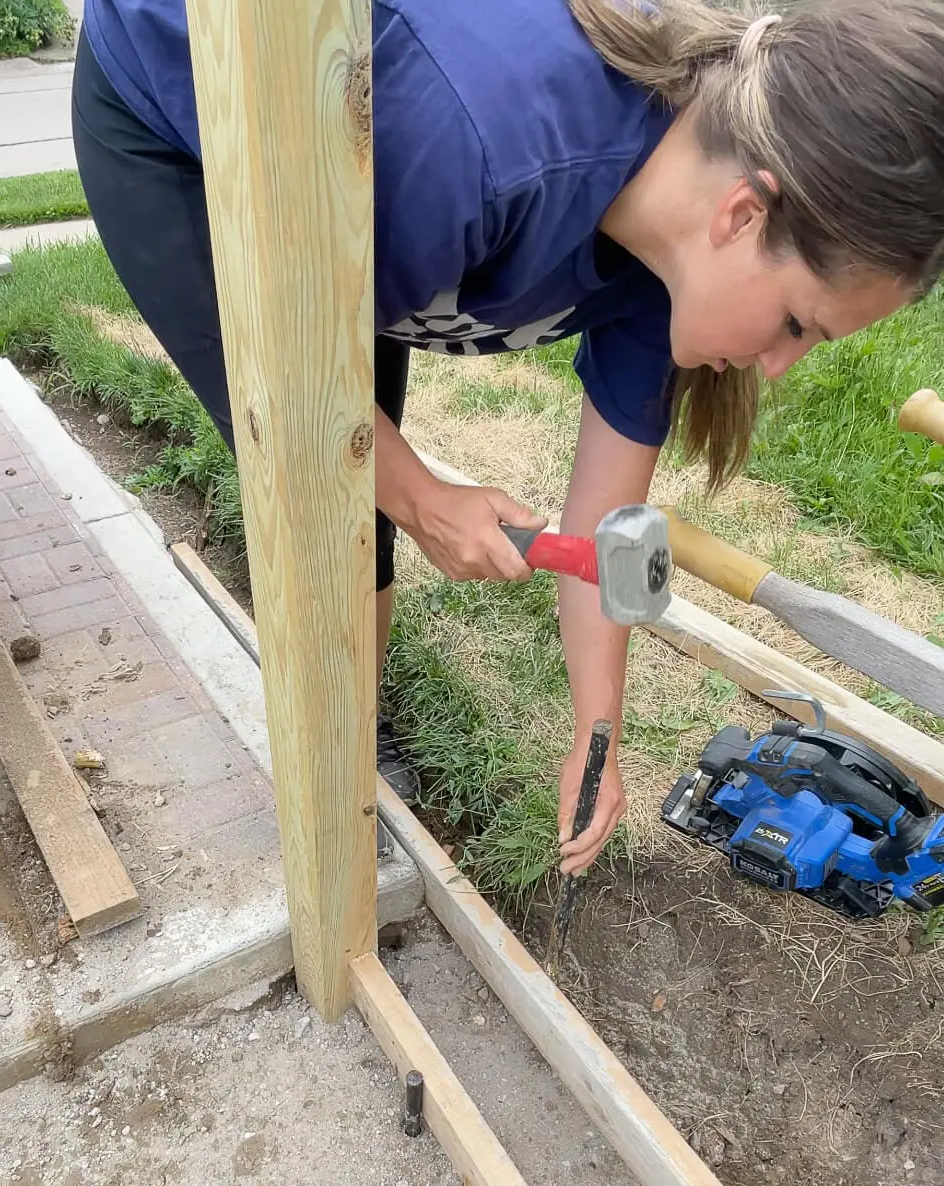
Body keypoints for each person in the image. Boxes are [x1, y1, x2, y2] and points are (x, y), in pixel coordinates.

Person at [71, 0, 943, 877]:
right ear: (744, 215)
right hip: (177, 118)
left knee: (358, 474)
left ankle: (352, 746)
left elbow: (606, 537)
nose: (782, 365)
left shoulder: (662, 269)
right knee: (329, 492)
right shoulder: (472, 150)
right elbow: (290, 388)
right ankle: (325, 791)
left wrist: (593, 740)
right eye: (799, 322)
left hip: (363, 179)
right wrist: (419, 500)